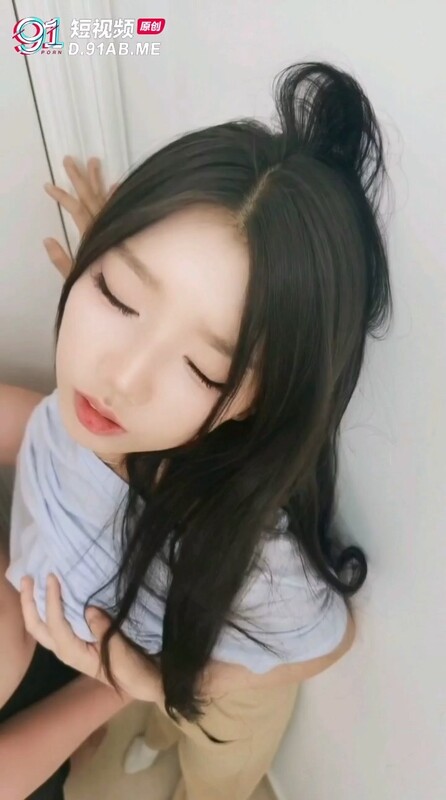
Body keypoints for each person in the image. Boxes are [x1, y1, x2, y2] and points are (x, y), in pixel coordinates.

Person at [0, 60, 392, 799]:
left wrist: (166, 685)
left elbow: (325, 641)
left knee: (214, 781)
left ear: (256, 404)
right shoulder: (86, 409)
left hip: (214, 692)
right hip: (119, 651)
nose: (120, 377)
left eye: (203, 369)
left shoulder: (248, 550)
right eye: (118, 294)